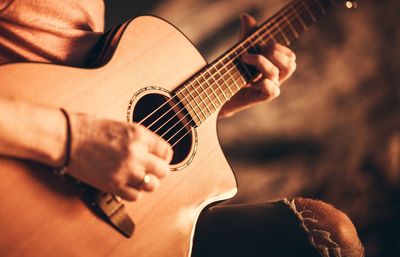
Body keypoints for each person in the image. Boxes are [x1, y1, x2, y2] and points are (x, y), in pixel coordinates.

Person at [0, 1, 364, 257]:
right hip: (25, 185)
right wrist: (74, 139)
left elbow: (94, 94)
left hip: (94, 213)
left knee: (329, 238)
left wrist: (222, 100)